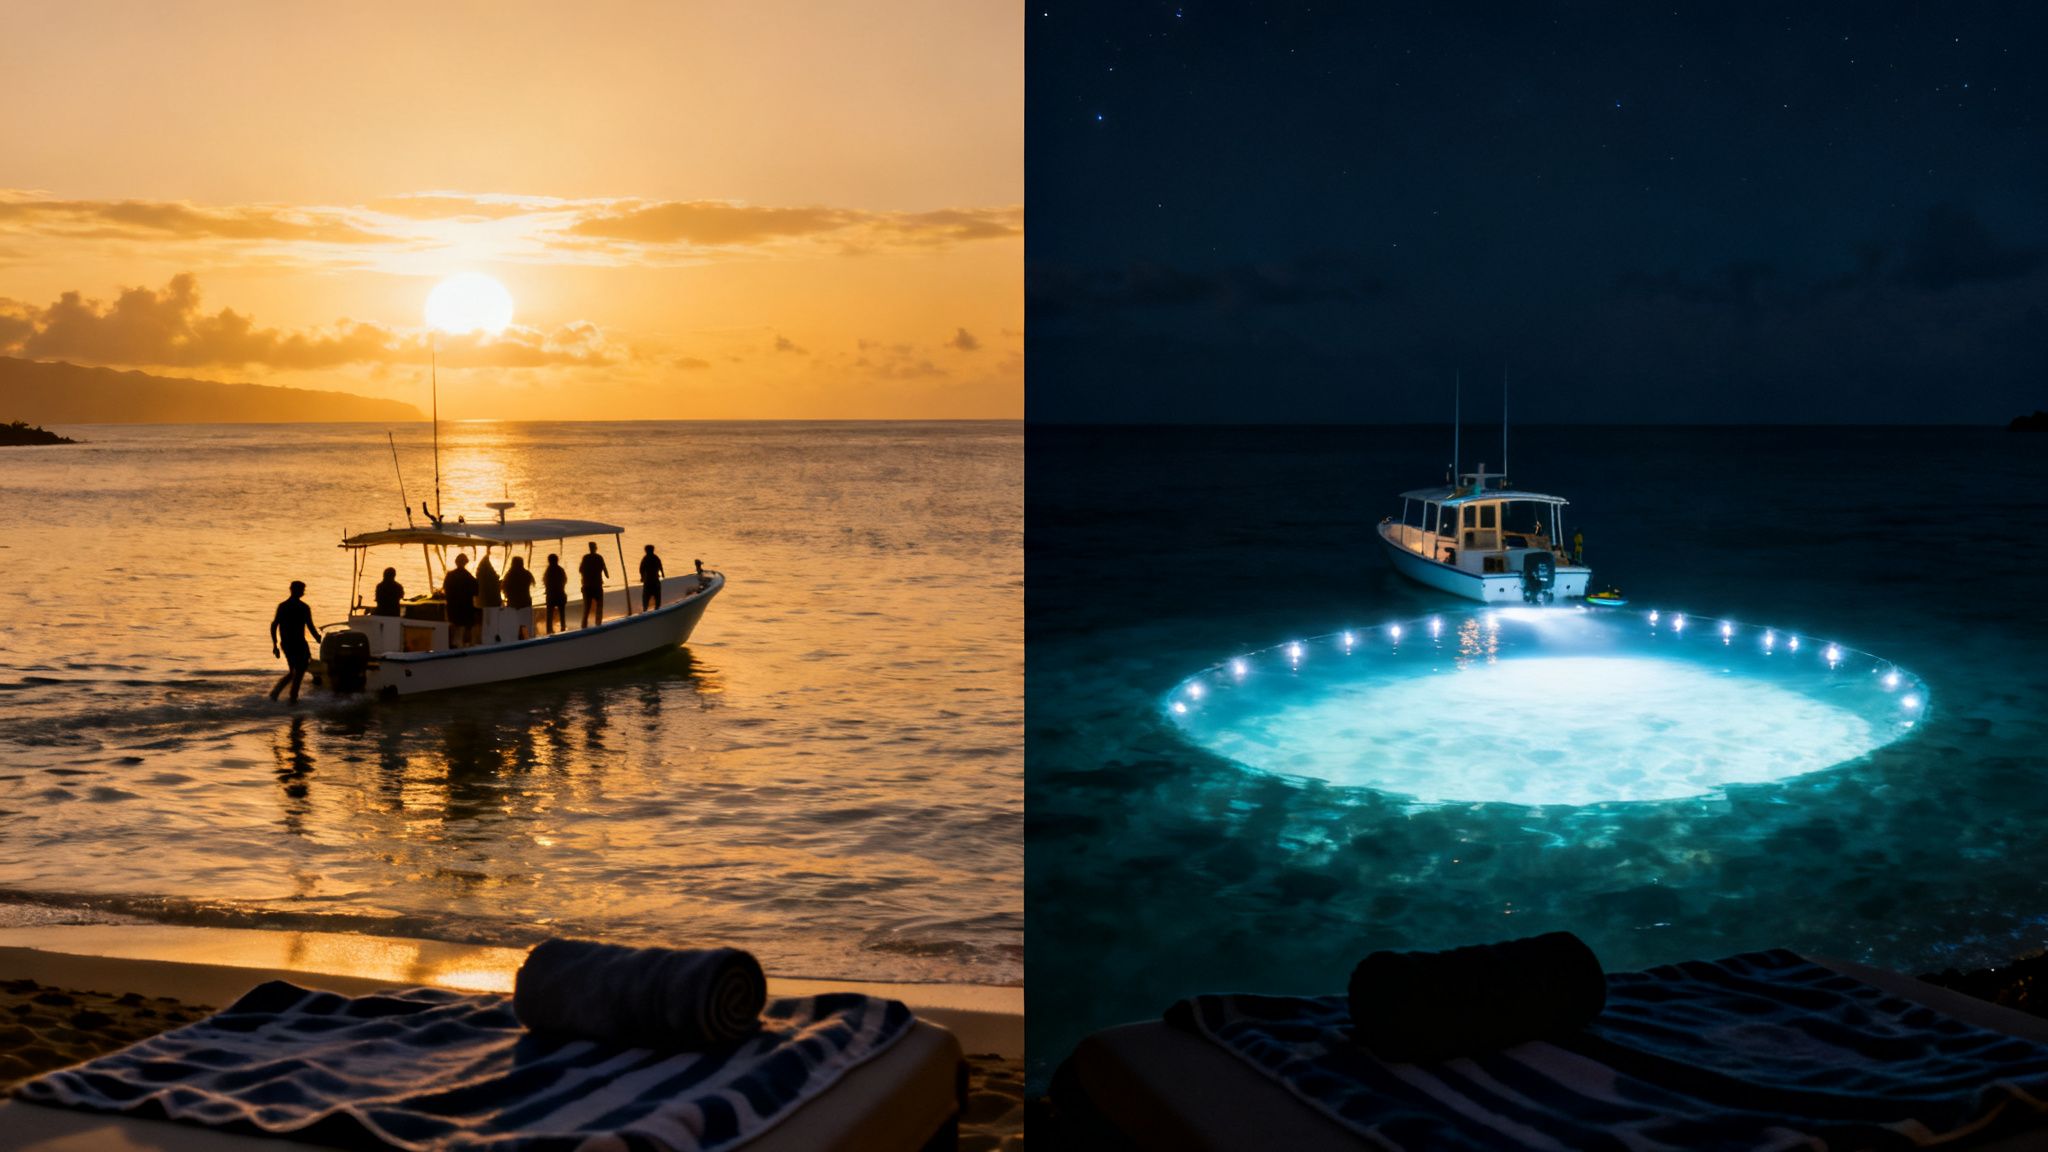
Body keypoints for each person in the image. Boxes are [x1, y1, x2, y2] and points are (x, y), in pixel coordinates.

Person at [269, 581, 322, 704]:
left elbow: (274, 626)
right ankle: (292, 697)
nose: (303, 592)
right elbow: (311, 627)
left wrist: (275, 645)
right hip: (297, 644)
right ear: (296, 591)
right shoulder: (303, 607)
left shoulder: (283, 606)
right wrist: (319, 639)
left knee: (295, 670)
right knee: (299, 670)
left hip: (287, 644)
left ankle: (276, 693)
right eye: (302, 590)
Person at [443, 553, 479, 648]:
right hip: (465, 608)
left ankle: (453, 646)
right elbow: (476, 591)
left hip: (453, 608)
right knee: (464, 631)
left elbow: (446, 590)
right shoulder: (468, 577)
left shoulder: (450, 575)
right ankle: (464, 646)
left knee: (455, 630)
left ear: (456, 562)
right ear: (465, 563)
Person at [504, 555, 536, 639]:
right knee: (528, 626)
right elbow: (531, 584)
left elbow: (505, 589)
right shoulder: (527, 574)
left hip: (513, 605)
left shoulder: (509, 575)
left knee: (514, 626)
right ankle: (530, 640)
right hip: (525, 603)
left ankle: (517, 640)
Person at [579, 541, 609, 627]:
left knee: (586, 608)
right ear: (596, 548)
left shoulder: (586, 558)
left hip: (587, 586)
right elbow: (607, 574)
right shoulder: (599, 558)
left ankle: (584, 626)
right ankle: (598, 624)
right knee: (599, 607)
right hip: (597, 586)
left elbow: (580, 570)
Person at [542, 553, 568, 635]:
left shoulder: (548, 571)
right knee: (562, 612)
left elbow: (545, 582)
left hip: (551, 595)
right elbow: (565, 580)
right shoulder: (560, 570)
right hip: (560, 593)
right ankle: (563, 628)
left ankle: (549, 630)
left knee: (549, 613)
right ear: (557, 560)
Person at [639, 544, 665, 611]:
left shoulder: (645, 558)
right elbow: (660, 566)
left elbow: (641, 569)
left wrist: (642, 577)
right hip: (654, 581)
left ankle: (646, 609)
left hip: (648, 581)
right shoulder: (655, 558)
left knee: (646, 597)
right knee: (657, 597)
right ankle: (656, 609)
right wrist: (662, 573)